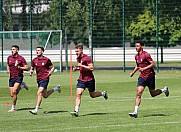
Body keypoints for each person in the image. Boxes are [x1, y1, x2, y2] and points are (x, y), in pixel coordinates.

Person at [129, 41, 169, 118]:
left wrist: (144, 68)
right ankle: (135, 112)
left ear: (142, 46)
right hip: (142, 77)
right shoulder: (136, 56)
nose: (136, 47)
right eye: (136, 46)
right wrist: (133, 72)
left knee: (153, 94)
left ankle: (164, 90)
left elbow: (153, 64)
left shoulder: (146, 54)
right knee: (139, 93)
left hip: (150, 76)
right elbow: (137, 65)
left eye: (137, 46)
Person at [70, 44, 108, 117]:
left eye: (77, 51)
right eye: (75, 51)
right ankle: (76, 111)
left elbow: (91, 68)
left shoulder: (87, 58)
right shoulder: (78, 58)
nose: (76, 53)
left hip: (90, 79)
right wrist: (77, 68)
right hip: (81, 79)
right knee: (78, 94)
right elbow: (81, 67)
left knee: (92, 95)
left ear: (81, 50)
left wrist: (81, 65)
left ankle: (103, 93)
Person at [29, 46, 61, 115]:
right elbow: (32, 67)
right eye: (36, 50)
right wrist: (31, 71)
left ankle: (36, 109)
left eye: (38, 50)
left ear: (42, 52)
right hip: (38, 79)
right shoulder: (34, 60)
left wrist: (50, 72)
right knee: (45, 95)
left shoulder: (46, 60)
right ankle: (56, 88)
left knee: (39, 92)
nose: (37, 51)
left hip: (45, 78)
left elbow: (52, 67)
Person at [7, 45, 29, 112]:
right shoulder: (9, 57)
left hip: (18, 77)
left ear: (17, 50)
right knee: (12, 94)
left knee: (14, 92)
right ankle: (22, 85)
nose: (12, 50)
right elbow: (8, 64)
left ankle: (13, 108)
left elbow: (26, 68)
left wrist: (19, 67)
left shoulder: (21, 58)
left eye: (13, 49)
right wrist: (8, 70)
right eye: (11, 49)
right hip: (11, 77)